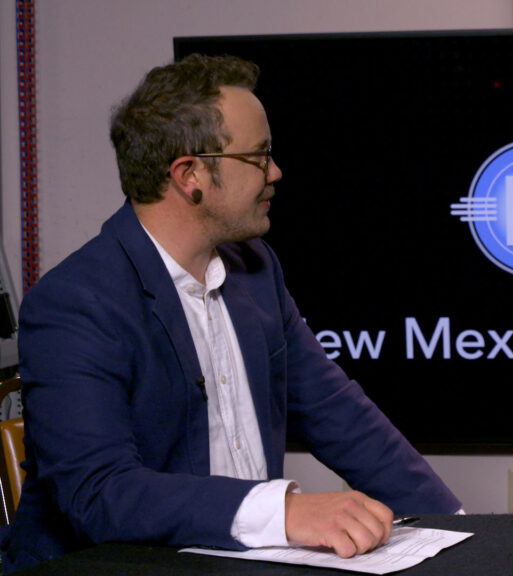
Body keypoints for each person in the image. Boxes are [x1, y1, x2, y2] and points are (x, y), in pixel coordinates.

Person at [0, 53, 461, 572]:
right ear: (189, 174)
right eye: (259, 156)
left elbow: (338, 414)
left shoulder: (254, 269)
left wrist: (459, 526)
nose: (276, 172)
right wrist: (284, 512)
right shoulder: (74, 304)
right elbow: (100, 493)